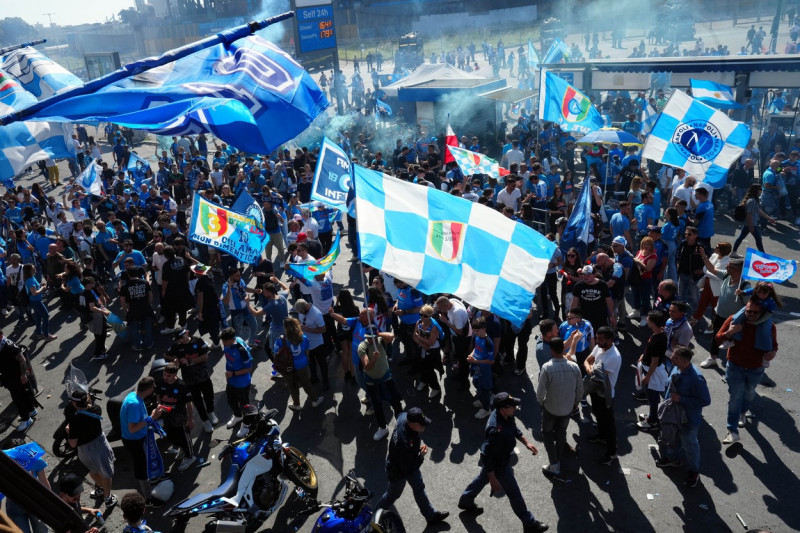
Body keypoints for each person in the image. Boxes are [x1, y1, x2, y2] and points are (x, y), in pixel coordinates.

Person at [458, 392, 549, 533]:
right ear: (502, 409)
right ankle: (529, 523)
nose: (515, 408)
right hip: (498, 464)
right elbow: (486, 455)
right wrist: (493, 478)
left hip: (500, 459)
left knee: (482, 478)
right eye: (512, 406)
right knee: (514, 493)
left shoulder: (505, 415)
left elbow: (514, 429)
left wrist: (526, 442)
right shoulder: (495, 429)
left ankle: (465, 500)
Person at [716, 299, 777, 445]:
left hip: (755, 368)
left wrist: (772, 354)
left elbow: (774, 345)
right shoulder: (734, 320)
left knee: (749, 393)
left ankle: (743, 412)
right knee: (735, 397)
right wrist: (731, 332)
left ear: (761, 312)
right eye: (748, 311)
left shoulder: (768, 325)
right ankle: (732, 430)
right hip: (735, 366)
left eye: (755, 312)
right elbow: (718, 338)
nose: (751, 314)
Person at [376, 407, 449, 525]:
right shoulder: (405, 444)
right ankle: (376, 517)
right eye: (422, 424)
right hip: (398, 471)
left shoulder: (404, 417)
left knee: (419, 487)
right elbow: (409, 468)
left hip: (405, 460)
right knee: (392, 494)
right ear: (413, 425)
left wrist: (415, 452)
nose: (424, 426)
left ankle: (430, 515)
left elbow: (399, 414)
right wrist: (421, 455)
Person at [655, 347, 711, 488]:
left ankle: (694, 471)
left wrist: (681, 399)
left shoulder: (696, 378)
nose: (671, 358)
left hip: (688, 419)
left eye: (675, 357)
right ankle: (674, 459)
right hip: (673, 414)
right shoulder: (677, 368)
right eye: (673, 356)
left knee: (689, 444)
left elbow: (705, 400)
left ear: (685, 361)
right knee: (673, 438)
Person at [537, 336, 582, 476]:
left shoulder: (547, 368)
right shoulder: (574, 367)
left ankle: (554, 463)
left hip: (550, 408)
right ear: (563, 349)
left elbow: (540, 392)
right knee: (562, 432)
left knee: (547, 433)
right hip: (567, 409)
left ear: (551, 350)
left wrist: (542, 403)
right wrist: (575, 403)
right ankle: (560, 454)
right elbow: (580, 390)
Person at [66, 389, 118, 508]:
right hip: (100, 445)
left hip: (85, 451)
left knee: (92, 470)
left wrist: (69, 431)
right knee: (106, 473)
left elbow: (73, 444)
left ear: (74, 404)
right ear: (87, 399)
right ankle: (107, 497)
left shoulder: (74, 421)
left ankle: (102, 491)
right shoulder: (96, 409)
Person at [166, 328, 217, 433]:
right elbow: (166, 355)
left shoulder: (197, 341)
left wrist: (189, 361)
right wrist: (174, 359)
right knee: (197, 401)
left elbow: (205, 357)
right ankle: (205, 420)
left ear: (187, 333)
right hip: (189, 380)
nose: (180, 340)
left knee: (209, 397)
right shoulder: (177, 346)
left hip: (203, 376)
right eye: (178, 339)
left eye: (182, 337)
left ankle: (211, 412)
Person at [583, 326, 621, 465]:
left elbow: (596, 375)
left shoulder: (613, 356)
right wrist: (590, 368)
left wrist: (590, 369)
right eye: (597, 338)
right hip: (595, 390)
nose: (597, 341)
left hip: (605, 394)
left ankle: (611, 453)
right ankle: (601, 436)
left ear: (610, 340)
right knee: (598, 414)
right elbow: (588, 361)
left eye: (600, 339)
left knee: (609, 424)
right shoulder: (599, 347)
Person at [357, 332, 403, 440]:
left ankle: (401, 423)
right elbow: (367, 367)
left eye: (373, 337)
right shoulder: (362, 347)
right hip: (372, 382)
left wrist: (377, 333)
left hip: (386, 378)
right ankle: (382, 427)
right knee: (377, 405)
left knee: (395, 401)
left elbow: (392, 336)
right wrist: (373, 359)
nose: (371, 340)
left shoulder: (381, 340)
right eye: (369, 337)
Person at [273, 318, 324, 412]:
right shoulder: (304, 338)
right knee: (306, 383)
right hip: (302, 364)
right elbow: (307, 352)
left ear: (285, 328)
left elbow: (275, 354)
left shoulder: (280, 340)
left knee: (292, 386)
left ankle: (296, 404)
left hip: (287, 367)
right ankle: (314, 400)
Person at [154, 363, 197, 471]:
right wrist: (159, 405)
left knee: (184, 439)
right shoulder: (160, 382)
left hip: (180, 419)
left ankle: (190, 457)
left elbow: (189, 404)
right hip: (167, 417)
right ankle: (182, 449)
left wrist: (190, 420)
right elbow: (158, 395)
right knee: (171, 437)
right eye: (164, 374)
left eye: (168, 376)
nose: (165, 377)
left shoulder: (181, 386)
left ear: (175, 375)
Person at [120, 377, 157, 498]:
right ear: (149, 389)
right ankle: (147, 497)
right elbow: (132, 428)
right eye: (153, 386)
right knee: (141, 466)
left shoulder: (134, 395)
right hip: (134, 441)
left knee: (144, 462)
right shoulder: (134, 404)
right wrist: (151, 418)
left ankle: (149, 481)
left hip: (137, 438)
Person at [634, 311, 670, 430]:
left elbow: (655, 361)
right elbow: (650, 351)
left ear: (653, 323)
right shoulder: (658, 333)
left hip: (652, 372)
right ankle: (652, 414)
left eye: (648, 319)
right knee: (652, 395)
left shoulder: (657, 340)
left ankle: (652, 420)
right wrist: (644, 356)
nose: (647, 320)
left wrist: (648, 376)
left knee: (652, 396)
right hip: (650, 368)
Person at [0, 332, 37, 432]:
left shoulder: (9, 346)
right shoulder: (2, 345)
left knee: (18, 398)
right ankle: (31, 410)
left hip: (16, 377)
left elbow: (22, 360)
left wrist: (23, 375)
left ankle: (26, 419)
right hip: (9, 376)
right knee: (23, 394)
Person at [221, 327, 253, 437]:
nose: (223, 343)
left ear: (233, 339)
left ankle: (247, 424)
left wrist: (233, 374)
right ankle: (238, 416)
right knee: (231, 401)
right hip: (231, 380)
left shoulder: (241, 350)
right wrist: (229, 374)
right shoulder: (227, 344)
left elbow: (249, 368)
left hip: (242, 383)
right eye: (223, 341)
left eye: (225, 341)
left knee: (245, 406)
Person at [294, 299, 330, 391]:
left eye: (301, 311)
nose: (300, 313)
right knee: (311, 363)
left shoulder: (316, 314)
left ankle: (326, 382)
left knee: (322, 365)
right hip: (307, 343)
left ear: (306, 307)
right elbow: (300, 321)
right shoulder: (301, 311)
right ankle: (314, 378)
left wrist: (309, 329)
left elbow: (323, 329)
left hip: (318, 344)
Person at [412, 304, 444, 399]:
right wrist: (422, 344)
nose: (422, 317)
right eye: (421, 314)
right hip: (423, 348)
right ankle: (424, 381)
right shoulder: (419, 322)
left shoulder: (434, 327)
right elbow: (414, 336)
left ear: (430, 316)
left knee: (429, 369)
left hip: (433, 351)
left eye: (425, 315)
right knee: (421, 365)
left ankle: (436, 388)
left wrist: (419, 339)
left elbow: (431, 342)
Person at [733, 184, 775, 253]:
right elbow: (748, 214)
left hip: (749, 224)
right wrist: (751, 226)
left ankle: (733, 252)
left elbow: (759, 211)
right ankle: (763, 254)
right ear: (756, 191)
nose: (761, 191)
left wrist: (768, 218)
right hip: (751, 224)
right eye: (760, 190)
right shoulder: (752, 201)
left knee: (741, 238)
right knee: (758, 239)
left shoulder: (754, 200)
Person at [469, 317, 495, 419]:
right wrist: (471, 355)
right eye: (474, 330)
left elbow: (491, 361)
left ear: (484, 329)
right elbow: (476, 348)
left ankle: (486, 409)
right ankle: (482, 401)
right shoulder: (477, 337)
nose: (475, 332)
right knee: (476, 384)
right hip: (476, 368)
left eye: (477, 330)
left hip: (484, 370)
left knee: (485, 390)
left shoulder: (488, 343)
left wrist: (476, 361)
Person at [22, 264, 56, 341]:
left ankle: (39, 334)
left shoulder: (31, 278)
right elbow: (34, 293)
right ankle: (47, 335)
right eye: (33, 268)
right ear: (29, 271)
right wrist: (43, 288)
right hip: (36, 301)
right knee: (46, 316)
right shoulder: (30, 280)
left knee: (38, 317)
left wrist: (40, 285)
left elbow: (34, 288)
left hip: (34, 301)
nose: (35, 268)